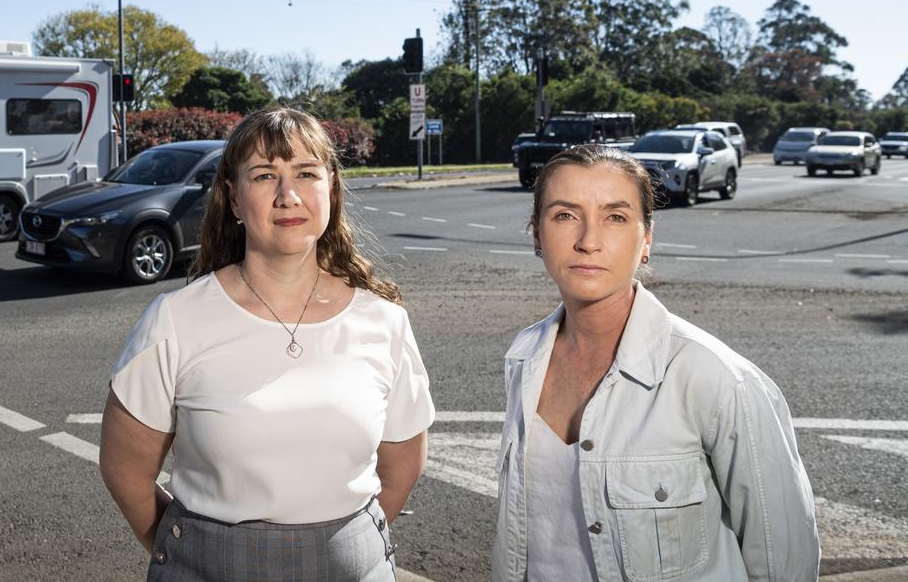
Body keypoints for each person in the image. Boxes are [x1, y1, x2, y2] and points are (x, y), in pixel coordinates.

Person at [99, 106, 435, 582]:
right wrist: (198, 555)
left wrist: (340, 548)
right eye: (263, 175)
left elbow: (402, 469)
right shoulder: (175, 320)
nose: (288, 195)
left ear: (331, 190)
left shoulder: (385, 321)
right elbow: (125, 471)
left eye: (306, 173)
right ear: (234, 199)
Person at [493, 144, 820, 581]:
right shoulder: (524, 358)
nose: (588, 241)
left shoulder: (717, 379)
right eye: (565, 215)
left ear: (646, 238)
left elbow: (786, 564)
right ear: (537, 234)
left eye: (615, 217)